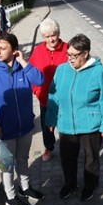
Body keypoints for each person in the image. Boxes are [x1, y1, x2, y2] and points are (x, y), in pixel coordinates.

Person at [0, 32, 45, 205]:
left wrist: (23, 61)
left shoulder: (22, 68)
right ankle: (10, 195)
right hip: (4, 128)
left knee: (23, 159)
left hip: (25, 125)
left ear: (14, 50)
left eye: (3, 48)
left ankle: (25, 188)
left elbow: (39, 80)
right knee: (6, 164)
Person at [46, 34, 103, 201]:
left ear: (85, 53)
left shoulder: (99, 72)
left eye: (74, 55)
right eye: (68, 54)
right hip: (66, 122)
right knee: (67, 158)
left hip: (90, 124)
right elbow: (53, 97)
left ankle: (90, 186)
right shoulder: (61, 70)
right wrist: (51, 119)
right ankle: (70, 184)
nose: (70, 59)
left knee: (91, 158)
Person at [29, 18, 68, 162]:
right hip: (46, 97)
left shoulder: (67, 49)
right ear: (43, 37)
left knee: (65, 125)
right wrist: (36, 90)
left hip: (64, 97)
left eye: (54, 35)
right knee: (46, 126)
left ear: (58, 33)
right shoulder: (38, 51)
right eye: (47, 36)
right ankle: (49, 147)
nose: (51, 39)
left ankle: (67, 148)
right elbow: (31, 72)